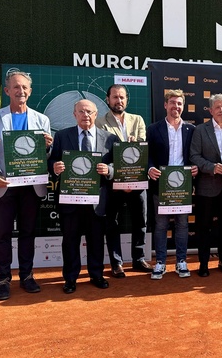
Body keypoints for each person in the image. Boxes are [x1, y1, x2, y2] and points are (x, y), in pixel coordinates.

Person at [0, 71, 53, 300]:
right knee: (2, 234)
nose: (20, 91)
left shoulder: (42, 119)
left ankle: (27, 276)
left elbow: (46, 156)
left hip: (31, 186)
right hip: (5, 185)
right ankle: (3, 279)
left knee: (28, 233)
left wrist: (48, 148)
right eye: (15, 87)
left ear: (30, 91)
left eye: (24, 87)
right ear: (6, 91)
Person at [48, 99, 119, 294]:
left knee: (96, 239)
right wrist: (55, 167)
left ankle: (96, 274)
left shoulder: (110, 138)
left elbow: (118, 165)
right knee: (70, 240)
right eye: (81, 111)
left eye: (89, 111)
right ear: (74, 114)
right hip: (71, 199)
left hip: (97, 200)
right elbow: (53, 159)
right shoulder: (62, 136)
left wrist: (109, 170)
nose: (85, 115)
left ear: (96, 114)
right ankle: (70, 278)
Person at [96, 84, 151, 277]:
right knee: (112, 223)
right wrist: (121, 178)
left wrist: (131, 178)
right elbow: (106, 153)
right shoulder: (100, 122)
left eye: (122, 97)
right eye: (115, 97)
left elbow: (142, 149)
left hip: (137, 181)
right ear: (107, 99)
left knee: (140, 222)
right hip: (113, 182)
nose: (118, 101)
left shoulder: (138, 120)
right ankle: (116, 263)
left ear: (127, 100)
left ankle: (139, 259)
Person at [146, 90, 198, 280]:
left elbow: (195, 156)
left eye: (179, 104)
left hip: (183, 186)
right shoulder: (153, 129)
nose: (176, 107)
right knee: (160, 225)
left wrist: (195, 168)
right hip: (161, 185)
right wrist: (150, 168)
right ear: (165, 105)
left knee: (182, 225)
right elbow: (147, 155)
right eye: (173, 103)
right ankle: (160, 262)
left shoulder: (191, 130)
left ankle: (181, 261)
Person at [190, 94, 222, 277]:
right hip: (206, 187)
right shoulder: (200, 130)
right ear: (210, 110)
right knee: (203, 227)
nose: (221, 110)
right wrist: (212, 167)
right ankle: (203, 263)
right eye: (218, 107)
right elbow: (194, 156)